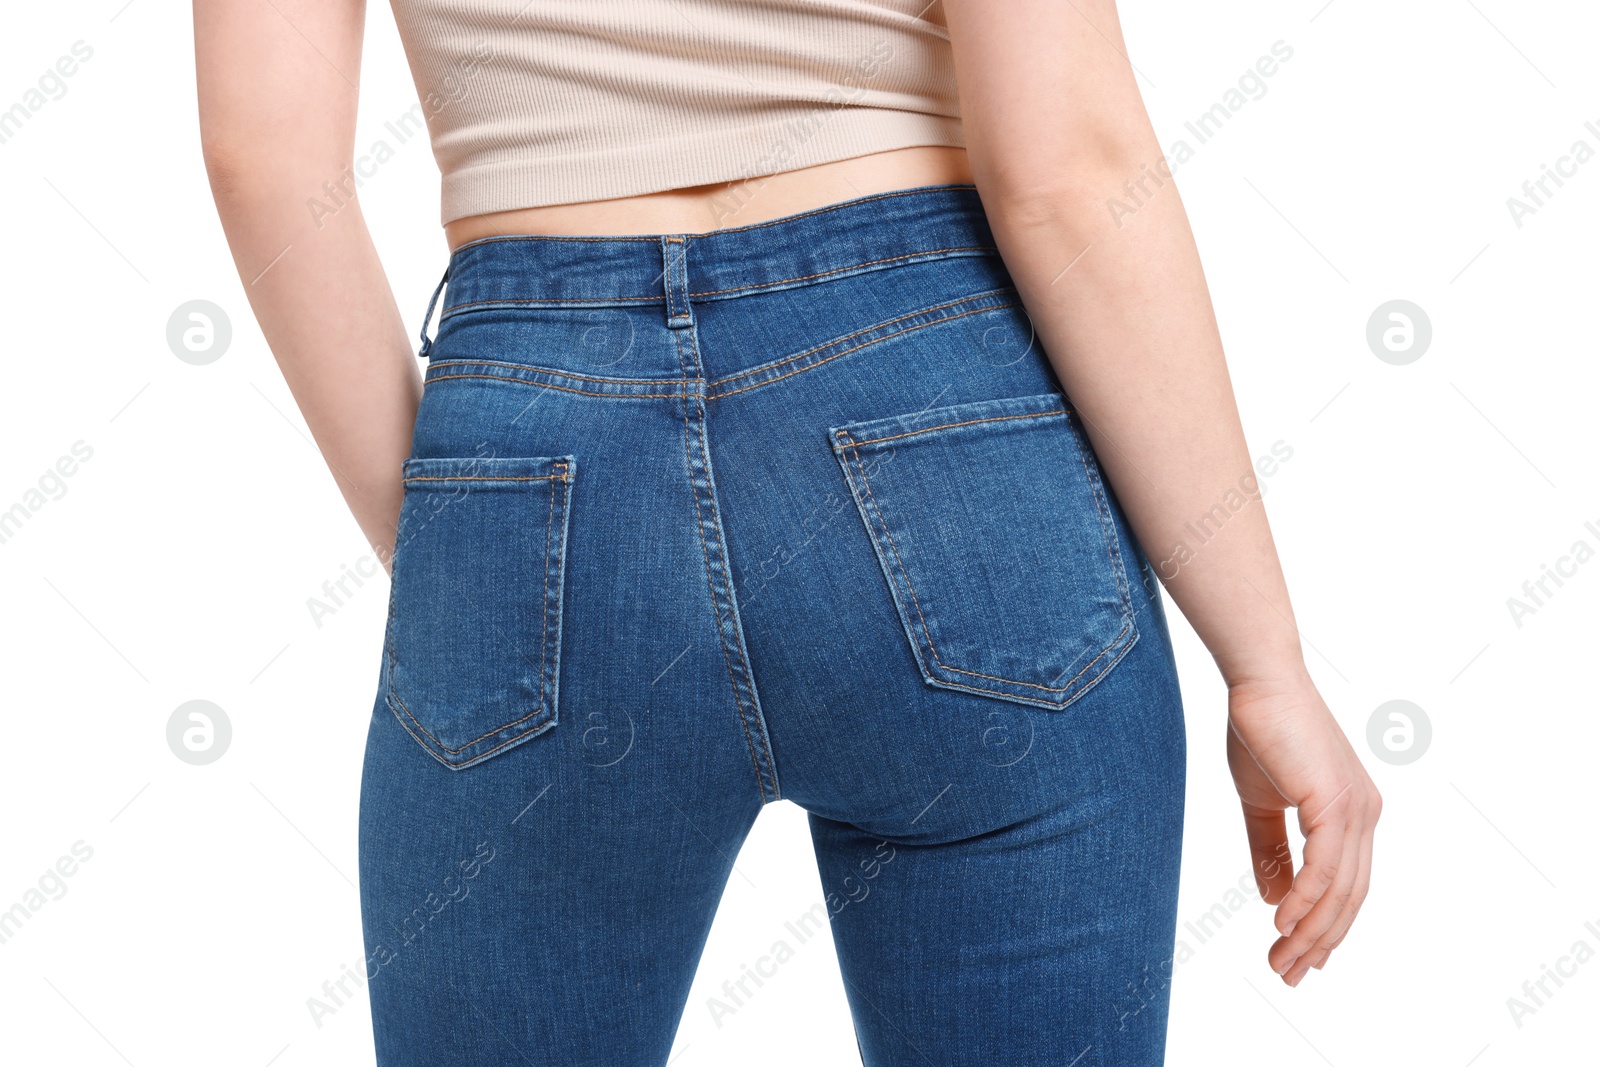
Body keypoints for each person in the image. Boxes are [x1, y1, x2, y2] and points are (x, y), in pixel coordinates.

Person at [195, 1, 1381, 1064]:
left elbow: (264, 159)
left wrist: (471, 553)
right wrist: (1263, 663)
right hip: (944, 425)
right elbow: (1066, 167)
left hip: (539, 411)